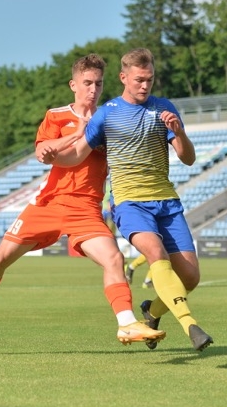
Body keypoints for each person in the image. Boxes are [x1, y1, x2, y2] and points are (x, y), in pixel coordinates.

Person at [0, 54, 165, 346]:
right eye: (87, 83)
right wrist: (80, 134)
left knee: (114, 258)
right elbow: (44, 152)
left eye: (98, 83)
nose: (93, 89)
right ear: (73, 85)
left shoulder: (111, 116)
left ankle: (126, 324)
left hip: (86, 209)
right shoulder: (56, 116)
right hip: (48, 204)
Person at [53, 48, 213, 352]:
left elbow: (188, 159)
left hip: (167, 202)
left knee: (190, 278)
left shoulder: (164, 108)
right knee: (156, 256)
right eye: (139, 79)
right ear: (124, 77)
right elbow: (77, 154)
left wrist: (179, 133)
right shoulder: (108, 113)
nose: (145, 85)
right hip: (130, 203)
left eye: (149, 80)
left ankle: (152, 313)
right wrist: (50, 154)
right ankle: (190, 325)